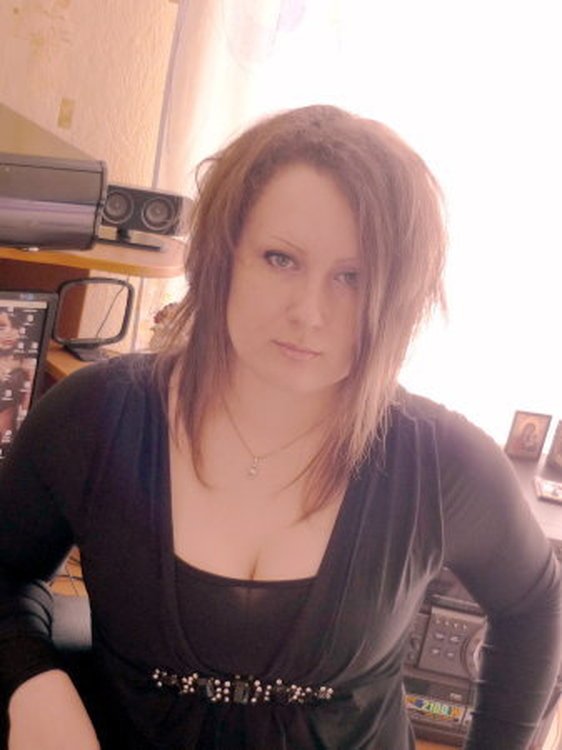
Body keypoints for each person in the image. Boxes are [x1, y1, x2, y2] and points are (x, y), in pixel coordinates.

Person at [0, 105, 560, 750]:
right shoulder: (95, 416)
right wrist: (34, 685)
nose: (309, 313)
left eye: (353, 277)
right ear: (222, 255)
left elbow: (534, 605)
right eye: (280, 259)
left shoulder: (443, 462)